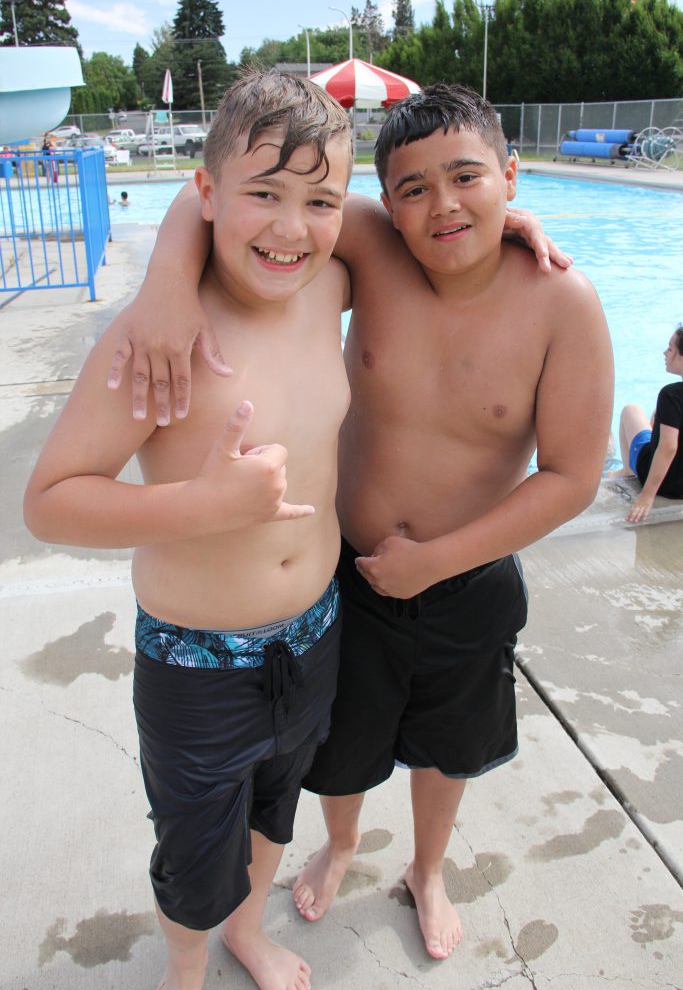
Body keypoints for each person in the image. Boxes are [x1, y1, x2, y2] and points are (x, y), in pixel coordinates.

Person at [106, 83, 613, 962]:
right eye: (413, 188)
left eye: (467, 179)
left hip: (467, 581)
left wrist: (440, 560)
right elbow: (238, 194)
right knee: (339, 754)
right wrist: (162, 284)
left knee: (446, 751)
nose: (442, 205)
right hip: (350, 576)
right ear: (387, 202)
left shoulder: (562, 305)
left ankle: (426, 868)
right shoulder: (373, 247)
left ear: (511, 178)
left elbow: (569, 477)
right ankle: (340, 845)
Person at [24, 69, 355, 990]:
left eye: (318, 200)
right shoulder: (160, 337)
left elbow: (435, 221)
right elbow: (49, 499)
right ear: (207, 193)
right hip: (198, 660)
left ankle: (246, 932)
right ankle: (185, 972)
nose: (291, 227)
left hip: (315, 630)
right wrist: (199, 508)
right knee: (191, 844)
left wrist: (507, 223)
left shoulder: (328, 283)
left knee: (270, 816)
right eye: (263, 195)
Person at [618, 326, 683, 522]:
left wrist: (646, 496)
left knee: (631, 411)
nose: (665, 353)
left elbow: (668, 447)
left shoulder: (671, 395)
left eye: (670, 348)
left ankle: (628, 470)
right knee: (656, 418)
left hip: (668, 484)